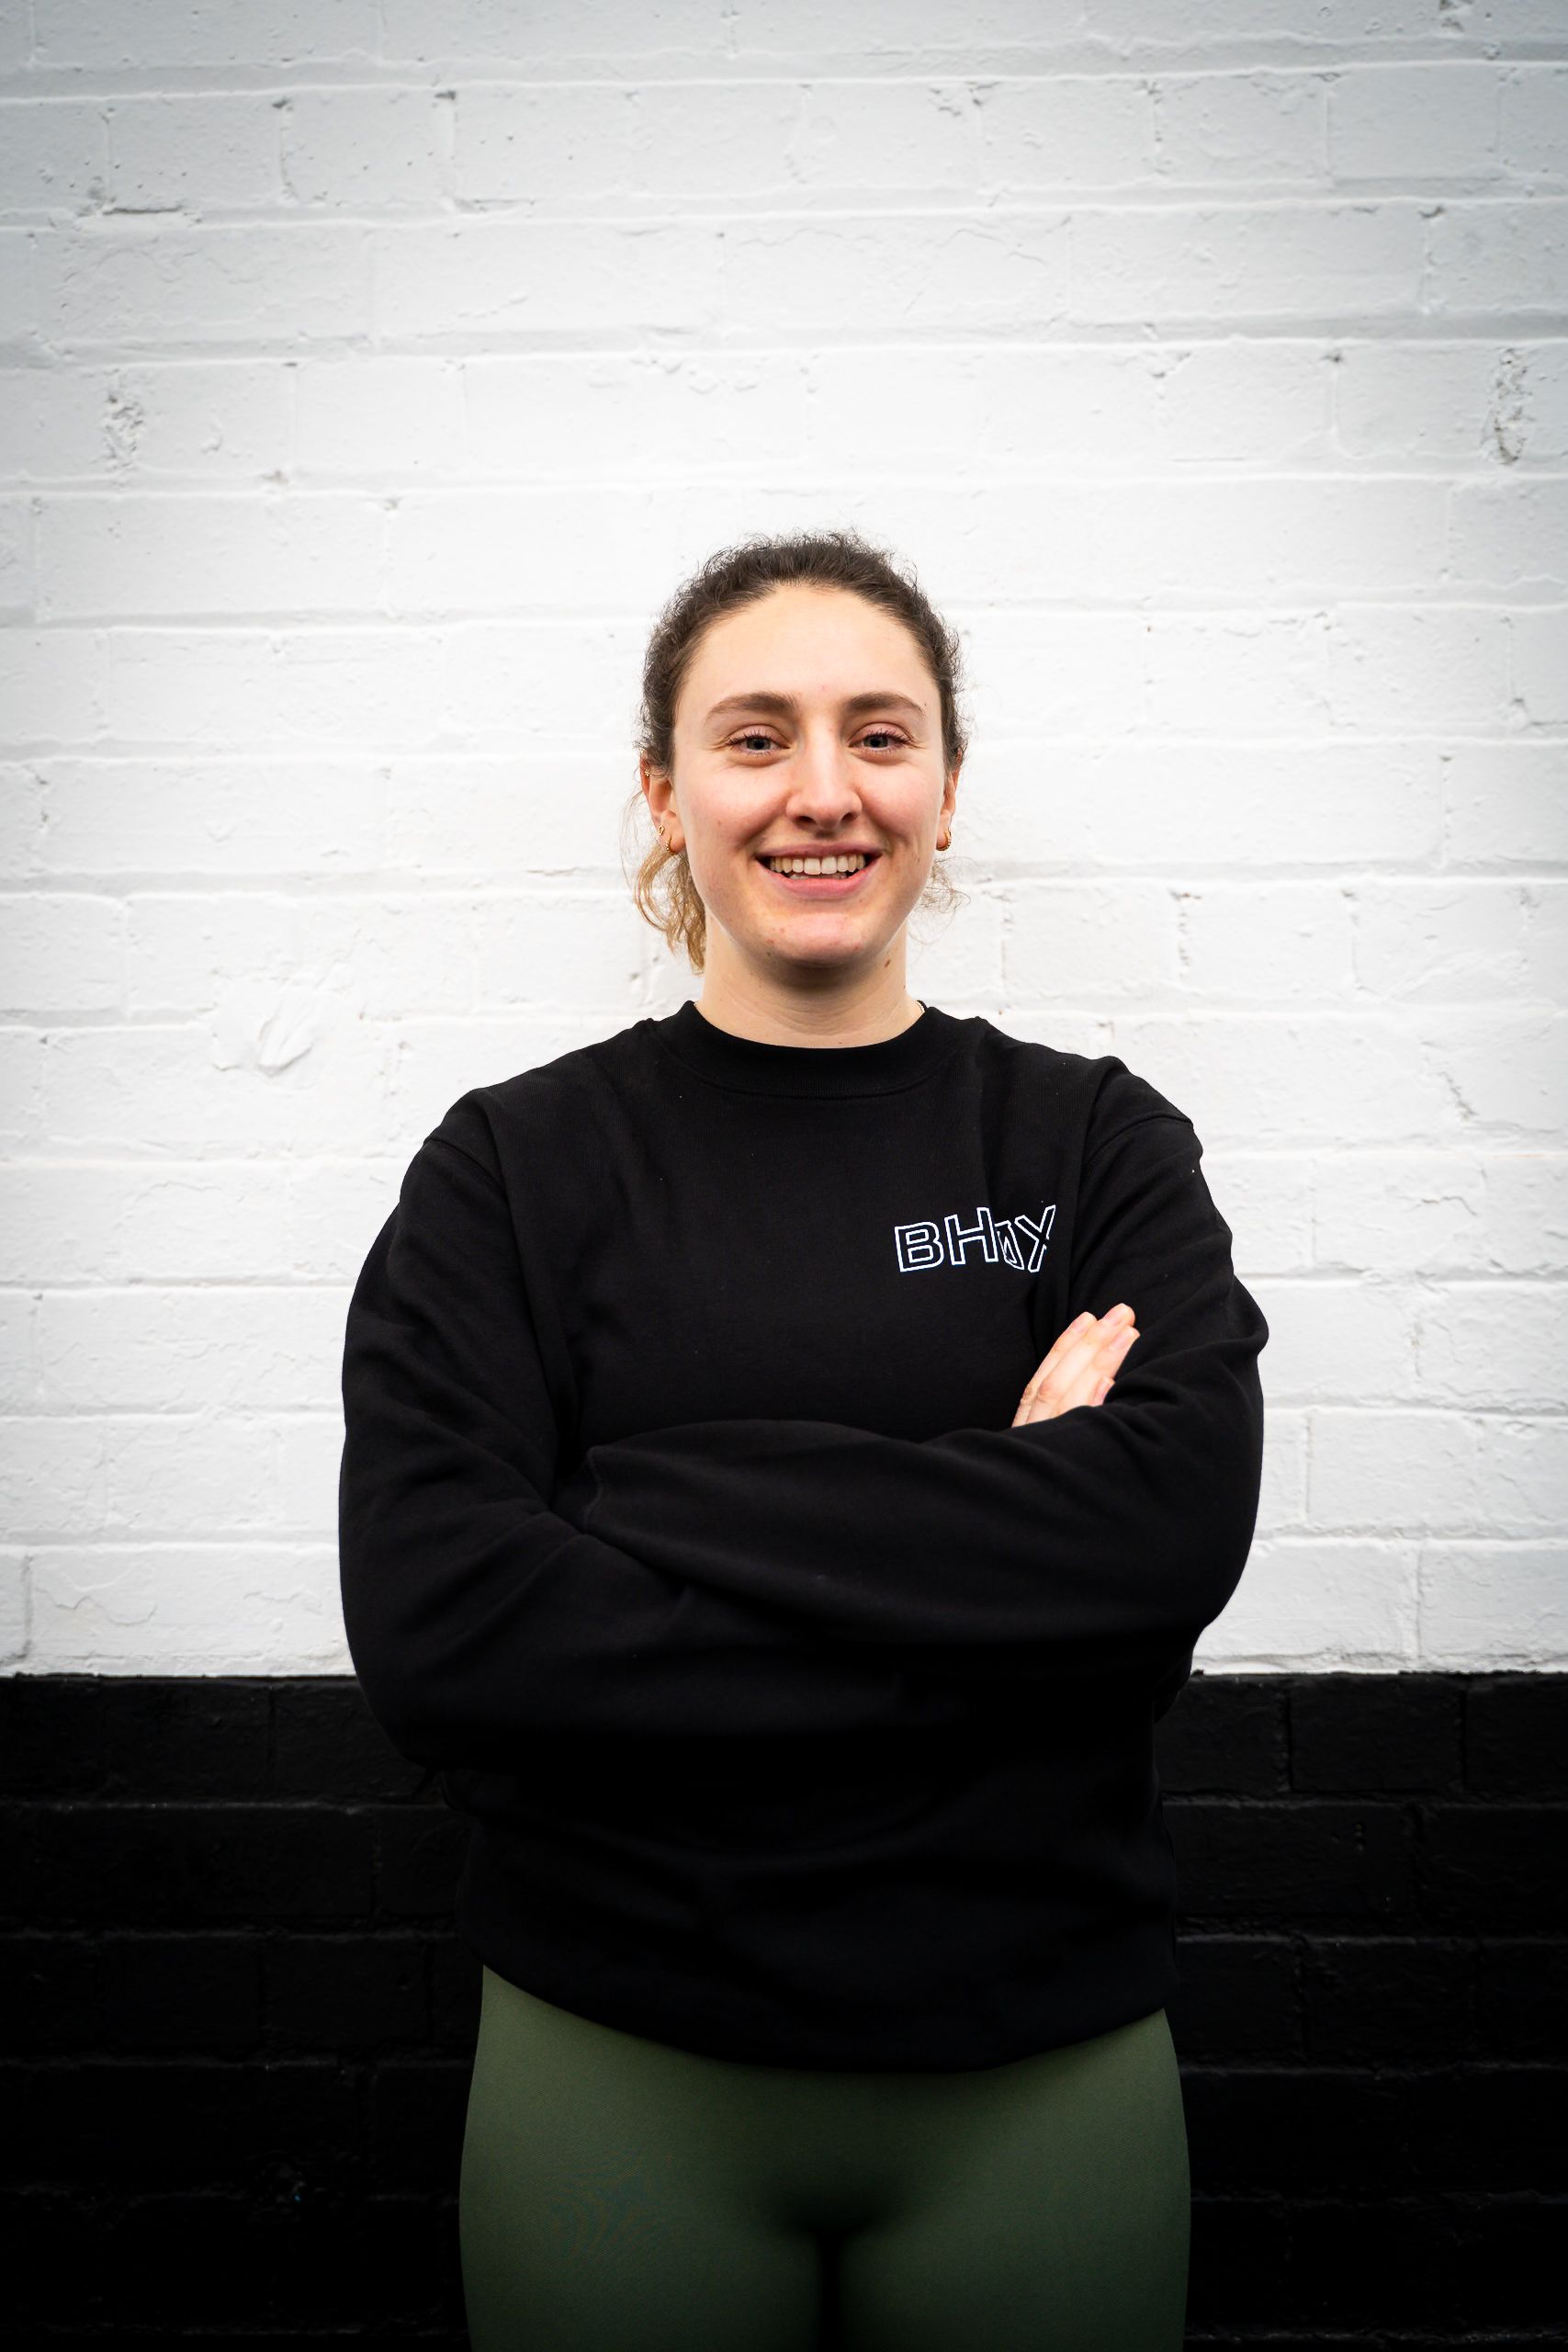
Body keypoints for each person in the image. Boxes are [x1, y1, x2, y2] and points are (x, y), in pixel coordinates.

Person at [337, 526, 1269, 2350]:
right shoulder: (511, 1172)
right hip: (616, 2064)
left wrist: (637, 1501)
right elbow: (447, 1632)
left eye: (877, 732)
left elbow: (1159, 1538)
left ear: (942, 787)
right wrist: (1004, 1515)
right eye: (753, 736)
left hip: (1040, 2064)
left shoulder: (1088, 1146)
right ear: (662, 792)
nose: (820, 791)